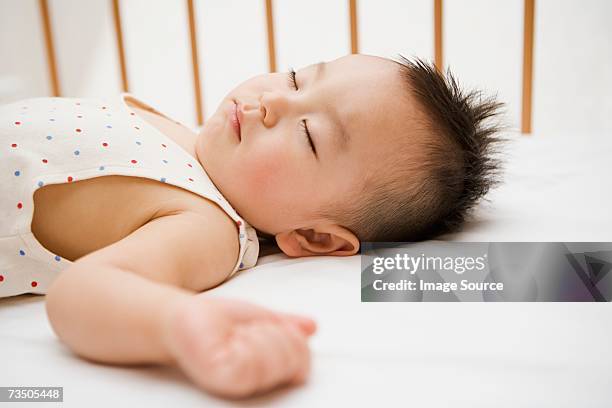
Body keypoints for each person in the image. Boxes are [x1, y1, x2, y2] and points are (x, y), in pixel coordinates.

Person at [0, 53, 504, 398]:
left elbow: (83, 294)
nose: (273, 103)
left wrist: (174, 324)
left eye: (309, 135)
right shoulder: (177, 130)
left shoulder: (205, 224)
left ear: (316, 237)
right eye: (295, 79)